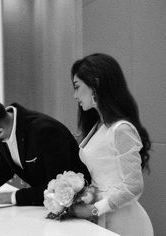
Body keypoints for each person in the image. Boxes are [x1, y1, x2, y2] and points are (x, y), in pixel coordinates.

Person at [69, 53, 153, 235]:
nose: (75, 95)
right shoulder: (98, 125)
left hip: (123, 220)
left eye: (77, 87)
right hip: (102, 214)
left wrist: (94, 209)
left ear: (95, 85)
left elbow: (134, 186)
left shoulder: (121, 129)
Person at [0, 97, 91, 206]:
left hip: (80, 204)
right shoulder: (3, 130)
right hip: (45, 208)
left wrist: (12, 197)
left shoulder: (45, 132)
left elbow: (56, 186)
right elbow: (4, 168)